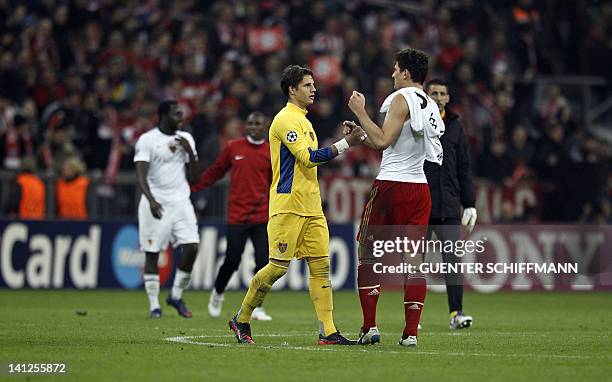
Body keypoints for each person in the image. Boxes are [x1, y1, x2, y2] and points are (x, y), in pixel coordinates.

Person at [228, 65, 367, 345]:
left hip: (312, 207)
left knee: (320, 267)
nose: (314, 89)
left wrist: (343, 138)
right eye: (307, 85)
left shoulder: (305, 121)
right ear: (292, 89)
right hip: (287, 206)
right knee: (278, 268)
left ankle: (328, 331)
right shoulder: (285, 120)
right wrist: (345, 143)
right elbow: (307, 158)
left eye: (313, 85)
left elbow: (312, 156)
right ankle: (241, 318)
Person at [347, 48, 445, 347]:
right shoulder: (428, 103)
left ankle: (369, 327)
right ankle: (411, 333)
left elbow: (382, 141)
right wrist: (362, 132)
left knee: (368, 252)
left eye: (395, 69)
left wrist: (360, 111)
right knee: (414, 261)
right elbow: (394, 140)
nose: (392, 74)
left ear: (405, 73)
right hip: (420, 187)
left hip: (392, 185)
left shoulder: (401, 99)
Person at [191, 111, 273, 321]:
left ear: (265, 127)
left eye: (258, 123)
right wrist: (195, 187)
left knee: (264, 263)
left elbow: (277, 182)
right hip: (237, 215)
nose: (254, 126)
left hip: (262, 215)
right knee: (232, 261)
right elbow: (216, 171)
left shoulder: (272, 151)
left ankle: (257, 307)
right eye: (250, 123)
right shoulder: (233, 148)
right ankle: (217, 293)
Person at [134, 100, 202, 319]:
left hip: (181, 202)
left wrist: (190, 152)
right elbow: (141, 174)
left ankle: (175, 295)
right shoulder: (147, 140)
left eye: (181, 114)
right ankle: (154, 305)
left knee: (192, 247)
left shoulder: (186, 138)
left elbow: (195, 178)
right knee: (153, 253)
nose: (181, 118)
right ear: (162, 116)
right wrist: (151, 200)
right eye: (176, 114)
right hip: (156, 202)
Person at [425, 78, 477, 329]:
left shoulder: (456, 126)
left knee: (453, 264)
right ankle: (412, 317)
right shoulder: (416, 121)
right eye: (433, 92)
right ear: (426, 96)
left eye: (442, 93)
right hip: (421, 204)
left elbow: (464, 168)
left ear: (448, 98)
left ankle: (456, 313)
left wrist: (470, 203)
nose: (437, 96)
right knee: (414, 263)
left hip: (448, 206)